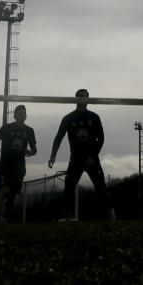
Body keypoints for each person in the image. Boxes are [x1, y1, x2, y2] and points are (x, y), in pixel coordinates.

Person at [48, 88, 114, 221]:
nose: (84, 98)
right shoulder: (68, 118)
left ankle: (111, 214)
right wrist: (52, 156)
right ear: (75, 98)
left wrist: (92, 155)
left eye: (86, 96)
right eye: (81, 96)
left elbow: (101, 138)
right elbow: (58, 137)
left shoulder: (94, 117)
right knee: (69, 187)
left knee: (101, 188)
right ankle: (67, 216)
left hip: (92, 158)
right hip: (76, 158)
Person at [0, 104, 37, 224]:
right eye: (19, 113)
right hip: (6, 164)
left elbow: (34, 150)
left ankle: (4, 219)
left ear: (26, 116)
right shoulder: (6, 128)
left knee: (12, 194)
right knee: (4, 191)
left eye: (23, 113)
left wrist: (30, 152)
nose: (21, 115)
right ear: (14, 115)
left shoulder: (29, 131)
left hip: (19, 166)